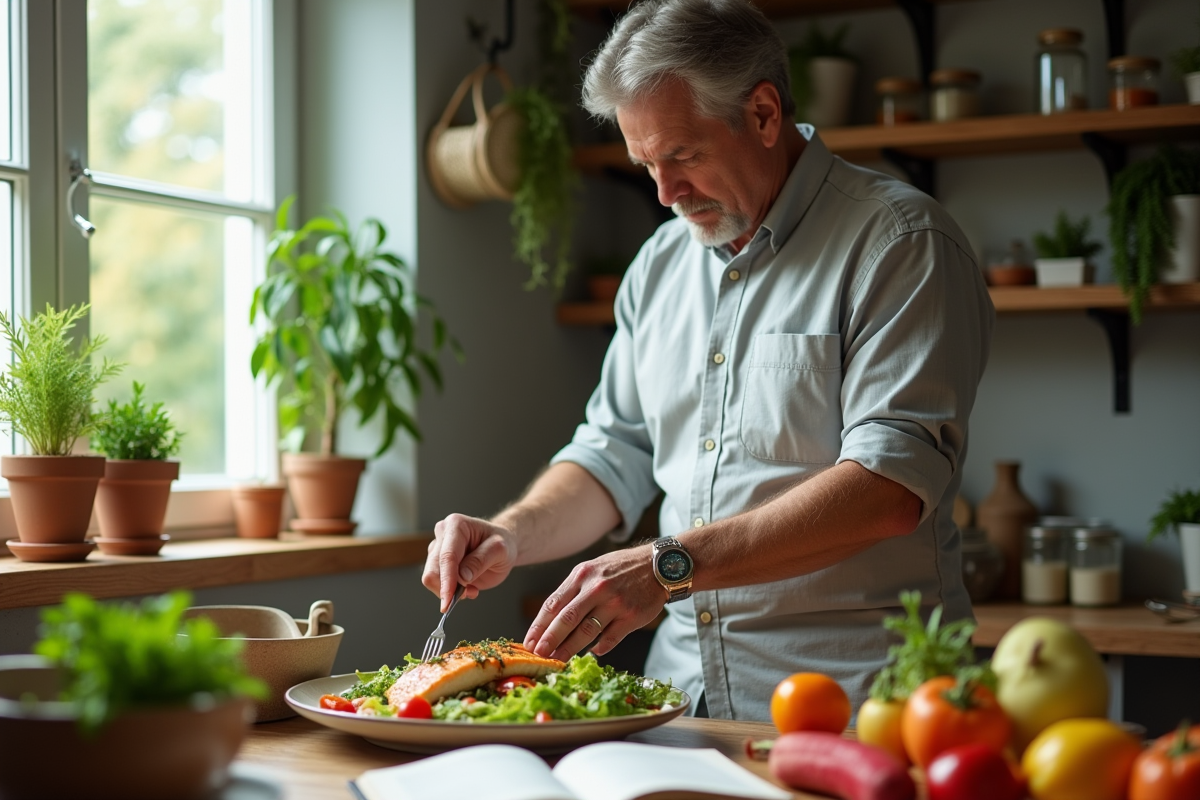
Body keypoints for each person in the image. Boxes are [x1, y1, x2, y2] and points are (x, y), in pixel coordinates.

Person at [423, 0, 994, 721]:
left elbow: (889, 487)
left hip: (859, 707)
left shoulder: (901, 243)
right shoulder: (659, 264)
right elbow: (615, 452)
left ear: (762, 114)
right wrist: (512, 531)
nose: (663, 194)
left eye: (682, 155)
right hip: (681, 707)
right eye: (645, 165)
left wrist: (668, 567)